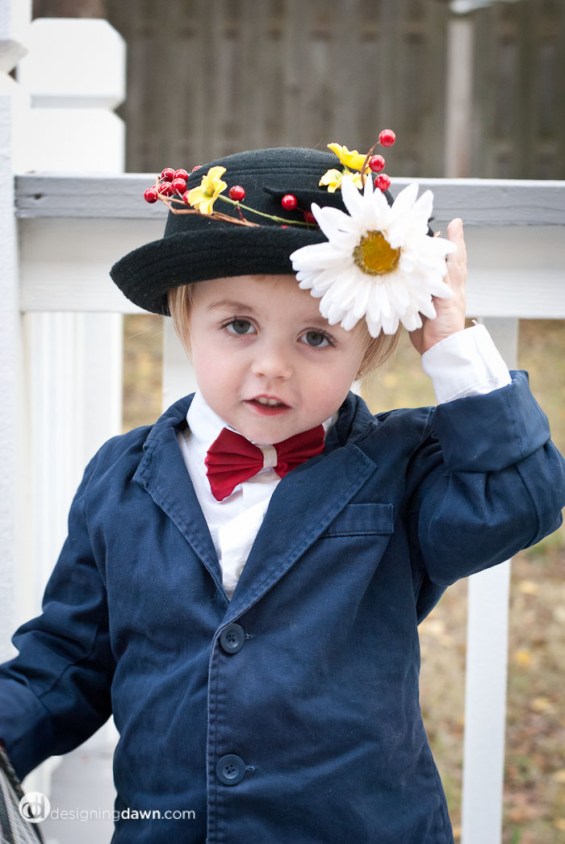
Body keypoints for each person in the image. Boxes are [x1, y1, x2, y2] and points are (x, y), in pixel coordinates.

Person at [0, 139, 564, 844]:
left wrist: (450, 344)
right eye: (239, 326)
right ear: (185, 321)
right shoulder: (121, 477)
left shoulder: (401, 468)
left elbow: (520, 500)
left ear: (369, 349)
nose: (272, 366)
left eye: (316, 338)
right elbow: (69, 663)